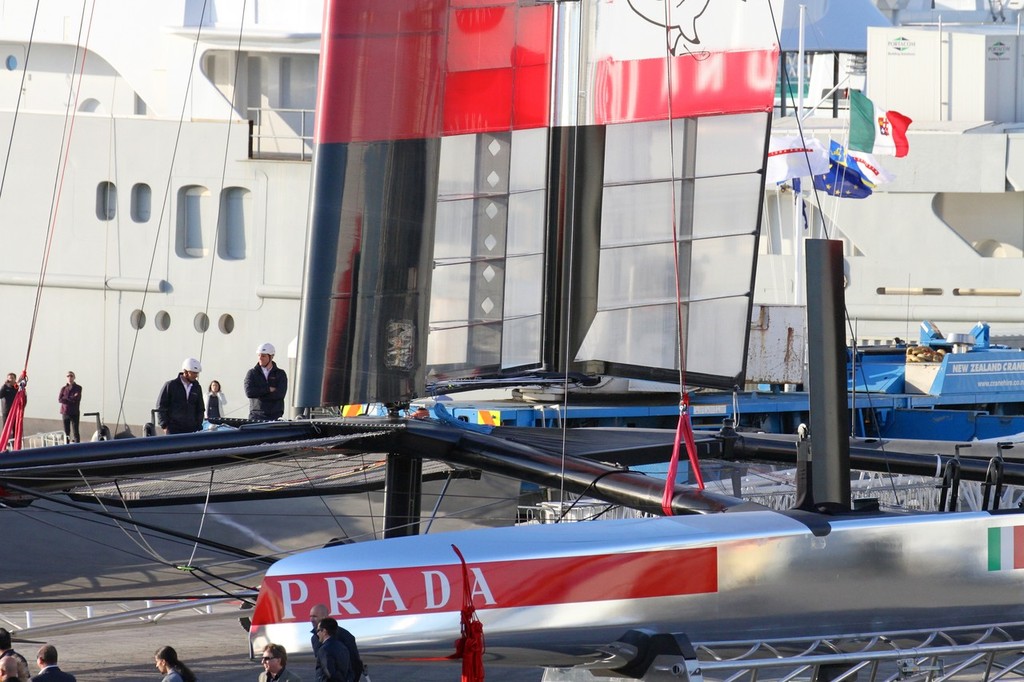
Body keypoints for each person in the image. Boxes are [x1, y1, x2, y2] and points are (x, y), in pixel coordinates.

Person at [309, 604, 363, 682]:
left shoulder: (345, 637)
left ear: (324, 617)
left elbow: (355, 663)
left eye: (314, 616)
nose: (311, 619)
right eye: (310, 616)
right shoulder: (315, 638)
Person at [156, 359, 205, 434]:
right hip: (173, 429)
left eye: (197, 373)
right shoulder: (171, 385)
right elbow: (161, 406)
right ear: (185, 372)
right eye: (194, 373)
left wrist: (198, 425)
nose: (196, 375)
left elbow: (200, 408)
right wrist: (164, 425)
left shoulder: (197, 387)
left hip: (192, 430)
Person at [244, 342, 288, 420]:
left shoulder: (280, 374)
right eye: (259, 355)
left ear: (271, 357)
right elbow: (249, 392)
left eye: (263, 356)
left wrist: (259, 394)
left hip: (275, 416)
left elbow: (280, 394)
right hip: (256, 416)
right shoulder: (252, 373)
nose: (260, 358)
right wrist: (268, 389)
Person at [57, 372, 82, 443]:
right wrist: (71, 397)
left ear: (74, 377)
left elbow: (76, 399)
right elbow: (60, 399)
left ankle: (77, 447)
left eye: (71, 376)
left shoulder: (78, 388)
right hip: (65, 413)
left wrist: (66, 398)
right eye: (68, 376)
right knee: (66, 432)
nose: (69, 378)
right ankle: (66, 447)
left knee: (75, 432)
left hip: (74, 413)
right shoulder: (63, 388)